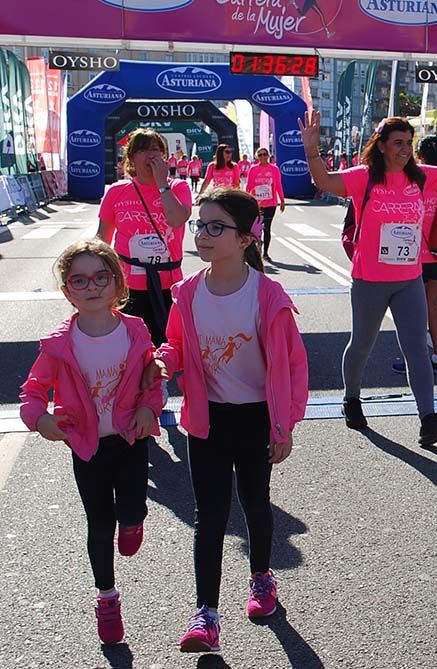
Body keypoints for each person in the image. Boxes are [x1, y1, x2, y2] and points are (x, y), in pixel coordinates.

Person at [142, 189, 307, 653]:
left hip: (256, 419)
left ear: (246, 237)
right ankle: (206, 615)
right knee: (209, 514)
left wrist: (284, 424)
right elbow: (175, 344)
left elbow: (292, 365)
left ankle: (261, 579)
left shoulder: (268, 295)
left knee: (256, 502)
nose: (203, 235)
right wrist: (163, 360)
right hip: (206, 419)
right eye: (200, 225)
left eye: (217, 227)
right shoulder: (188, 292)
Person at [299, 111, 437, 445]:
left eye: (409, 143)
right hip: (369, 278)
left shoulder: (421, 178)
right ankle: (351, 398)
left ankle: (427, 419)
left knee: (417, 349)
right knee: (362, 343)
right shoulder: (365, 177)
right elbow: (326, 182)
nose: (405, 150)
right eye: (398, 143)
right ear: (382, 146)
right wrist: (311, 149)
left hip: (409, 278)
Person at [20, 240, 162, 645]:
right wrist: (42, 419)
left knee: (132, 509)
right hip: (86, 447)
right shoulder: (58, 345)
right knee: (99, 524)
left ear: (118, 283)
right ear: (67, 292)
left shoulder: (135, 330)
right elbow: (31, 393)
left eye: (102, 277)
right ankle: (107, 598)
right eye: (78, 280)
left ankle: (133, 521)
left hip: (131, 439)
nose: (92, 286)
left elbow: (152, 381)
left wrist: (149, 410)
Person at [97, 128, 192, 350]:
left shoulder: (178, 187)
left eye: (156, 149)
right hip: (128, 285)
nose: (151, 155)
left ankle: (160, 384)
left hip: (167, 283)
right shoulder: (116, 191)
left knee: (166, 345)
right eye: (143, 150)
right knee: (129, 346)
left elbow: (177, 219)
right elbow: (102, 239)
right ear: (131, 157)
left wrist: (161, 185)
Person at [391, 135, 437, 376]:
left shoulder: (413, 176)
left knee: (410, 309)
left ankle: (412, 358)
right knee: (433, 305)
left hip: (414, 252)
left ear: (418, 154)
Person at [245, 147, 286, 263]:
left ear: (268, 156)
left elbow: (278, 185)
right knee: (257, 229)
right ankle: (257, 248)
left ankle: (265, 253)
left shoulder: (274, 169)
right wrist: (247, 200)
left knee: (267, 228)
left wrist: (282, 200)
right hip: (257, 204)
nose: (263, 157)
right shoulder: (253, 169)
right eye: (260, 155)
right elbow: (249, 186)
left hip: (270, 204)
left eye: (265, 154)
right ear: (257, 156)